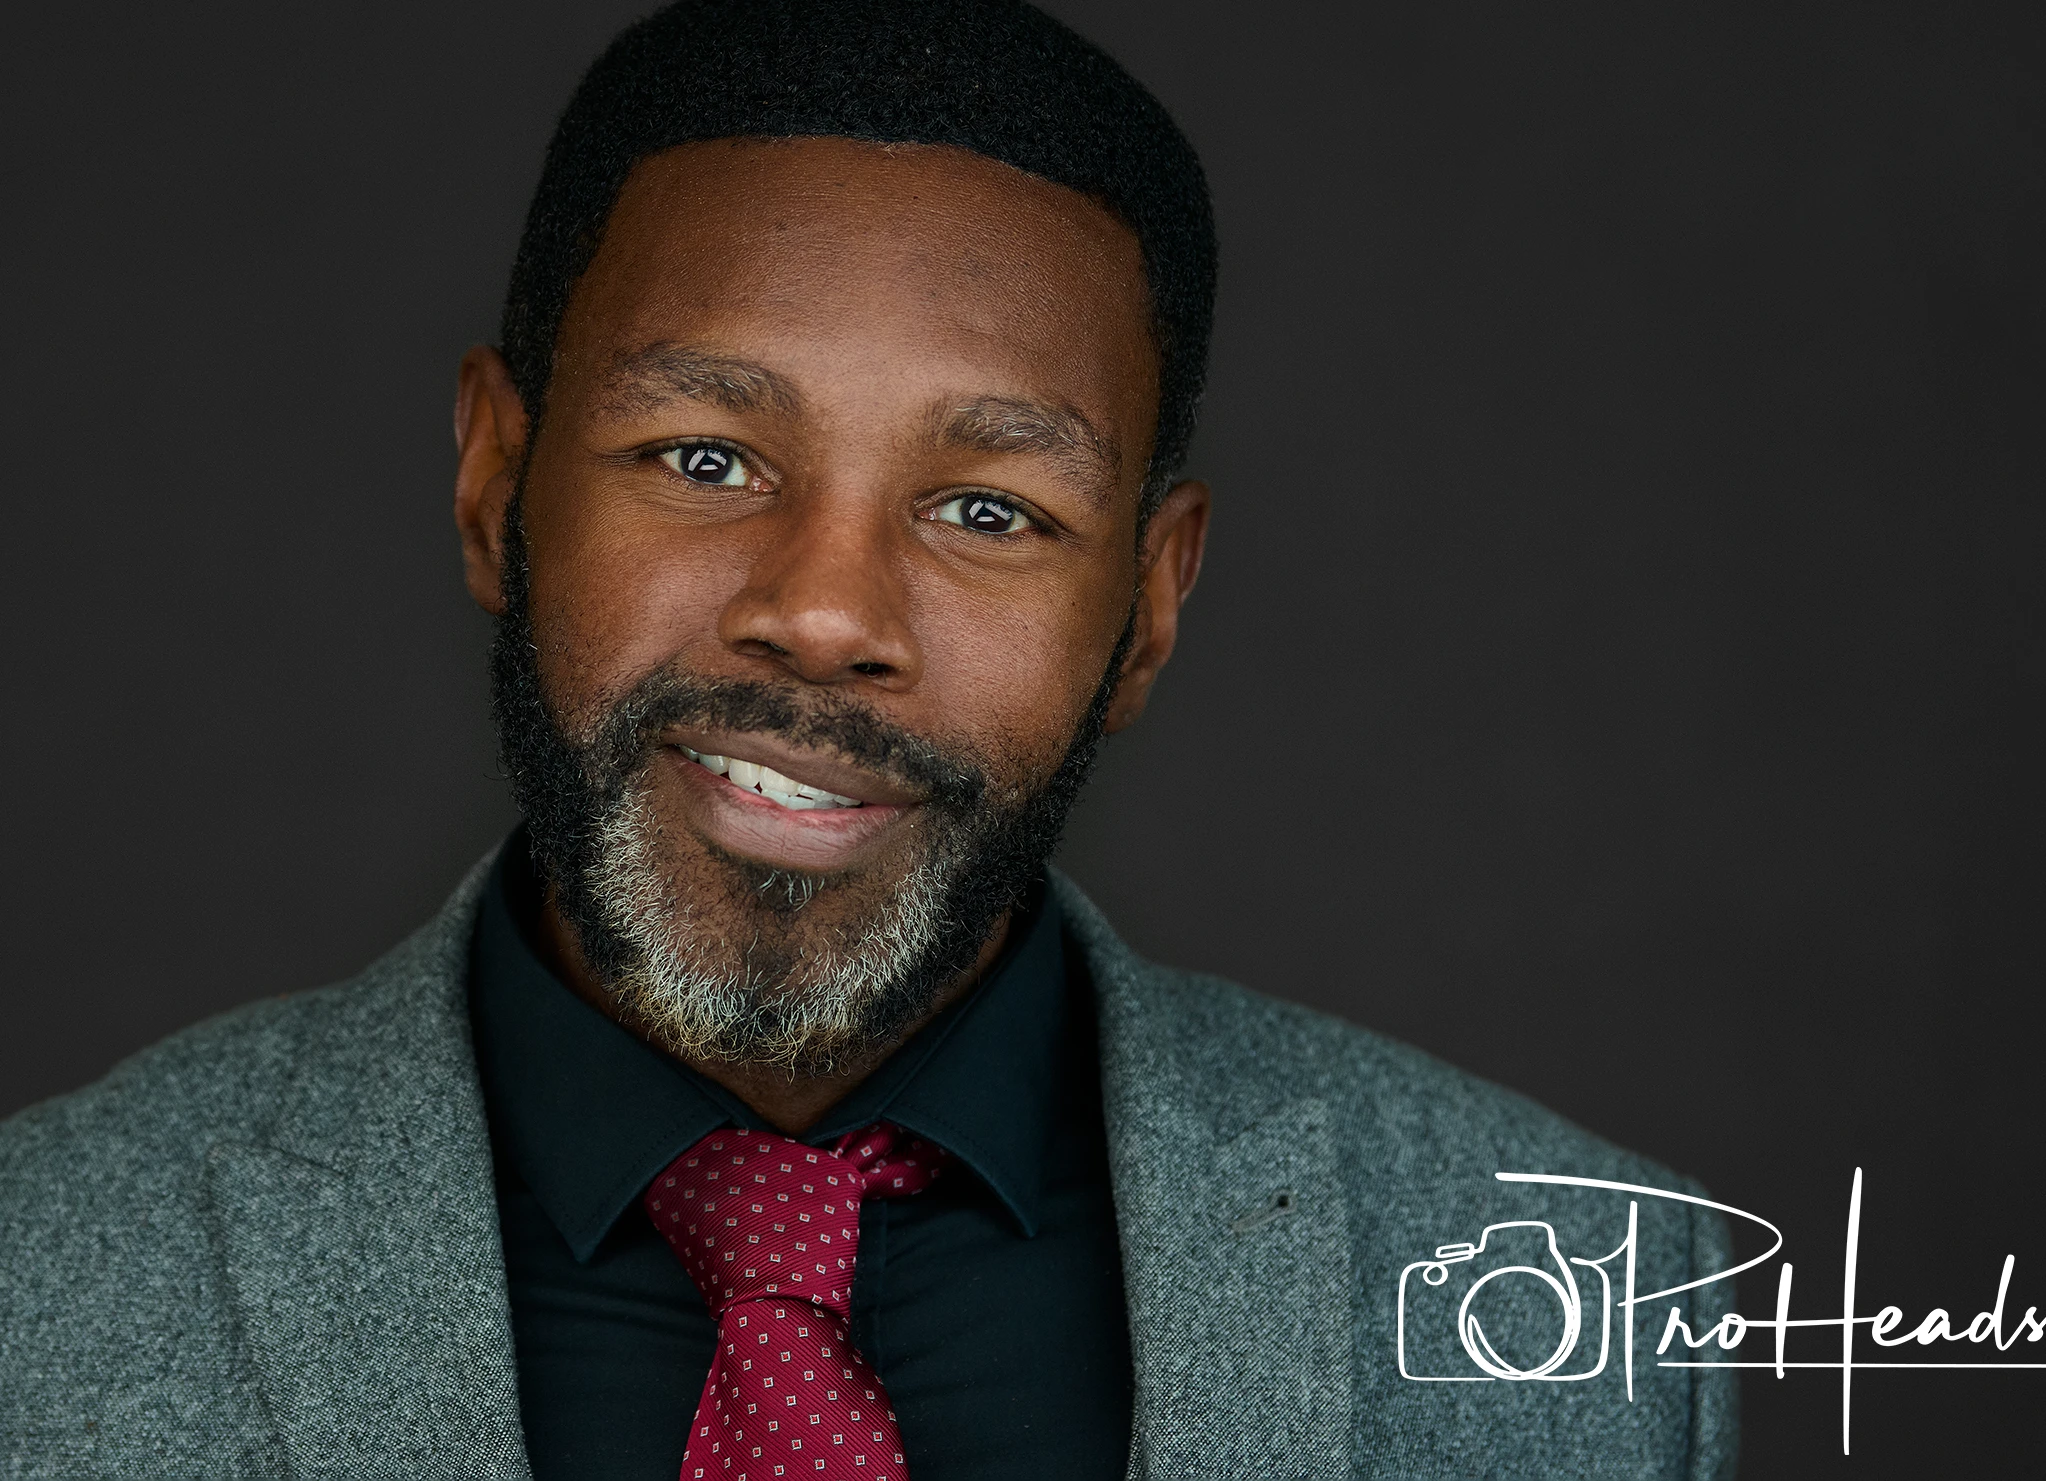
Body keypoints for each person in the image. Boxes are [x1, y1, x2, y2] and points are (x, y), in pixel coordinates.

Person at [0, 2, 1736, 1476]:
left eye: (988, 507)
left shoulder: (1589, 1316)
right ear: (491, 485)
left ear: (1150, 602)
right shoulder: (43, 1281)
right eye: (704, 458)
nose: (828, 615)